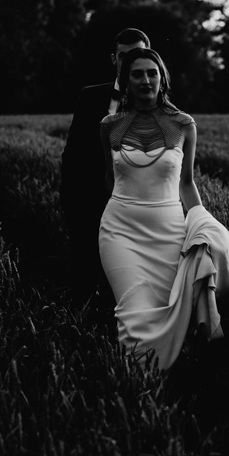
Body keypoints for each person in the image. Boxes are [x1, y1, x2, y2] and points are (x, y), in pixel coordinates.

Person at [99, 48, 229, 370]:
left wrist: (200, 224)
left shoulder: (183, 124)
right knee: (134, 310)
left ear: (162, 79)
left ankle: (171, 381)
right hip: (121, 232)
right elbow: (110, 178)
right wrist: (123, 210)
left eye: (152, 73)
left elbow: (186, 183)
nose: (145, 80)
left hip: (169, 230)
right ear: (126, 81)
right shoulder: (109, 125)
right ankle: (137, 391)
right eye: (137, 74)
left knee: (171, 307)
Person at [60, 29, 151, 318]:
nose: (128, 62)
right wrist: (70, 202)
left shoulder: (158, 106)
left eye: (136, 54)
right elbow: (71, 156)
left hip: (137, 211)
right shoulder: (90, 97)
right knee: (83, 286)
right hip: (90, 207)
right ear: (114, 58)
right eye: (123, 56)